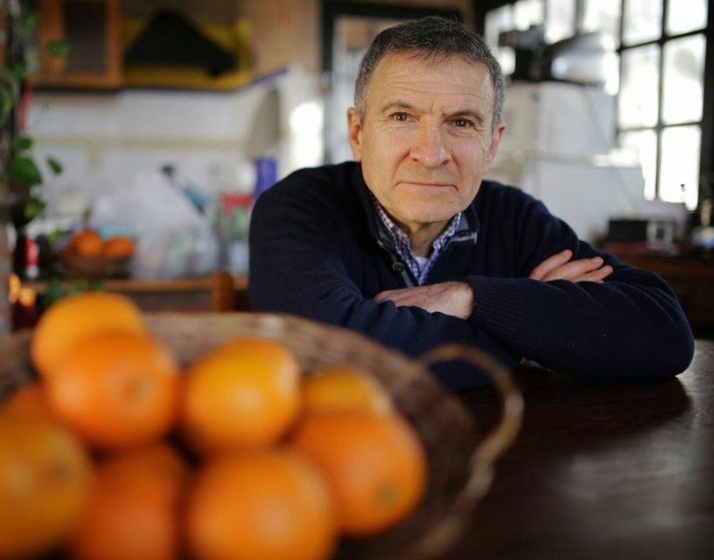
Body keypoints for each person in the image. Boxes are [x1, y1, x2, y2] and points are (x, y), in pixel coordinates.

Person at [248, 16, 694, 389]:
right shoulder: (299, 208)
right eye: (402, 117)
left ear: (492, 143)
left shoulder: (514, 217)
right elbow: (329, 349)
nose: (431, 154)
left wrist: (470, 297)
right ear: (358, 133)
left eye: (461, 122)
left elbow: (665, 332)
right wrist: (528, 333)